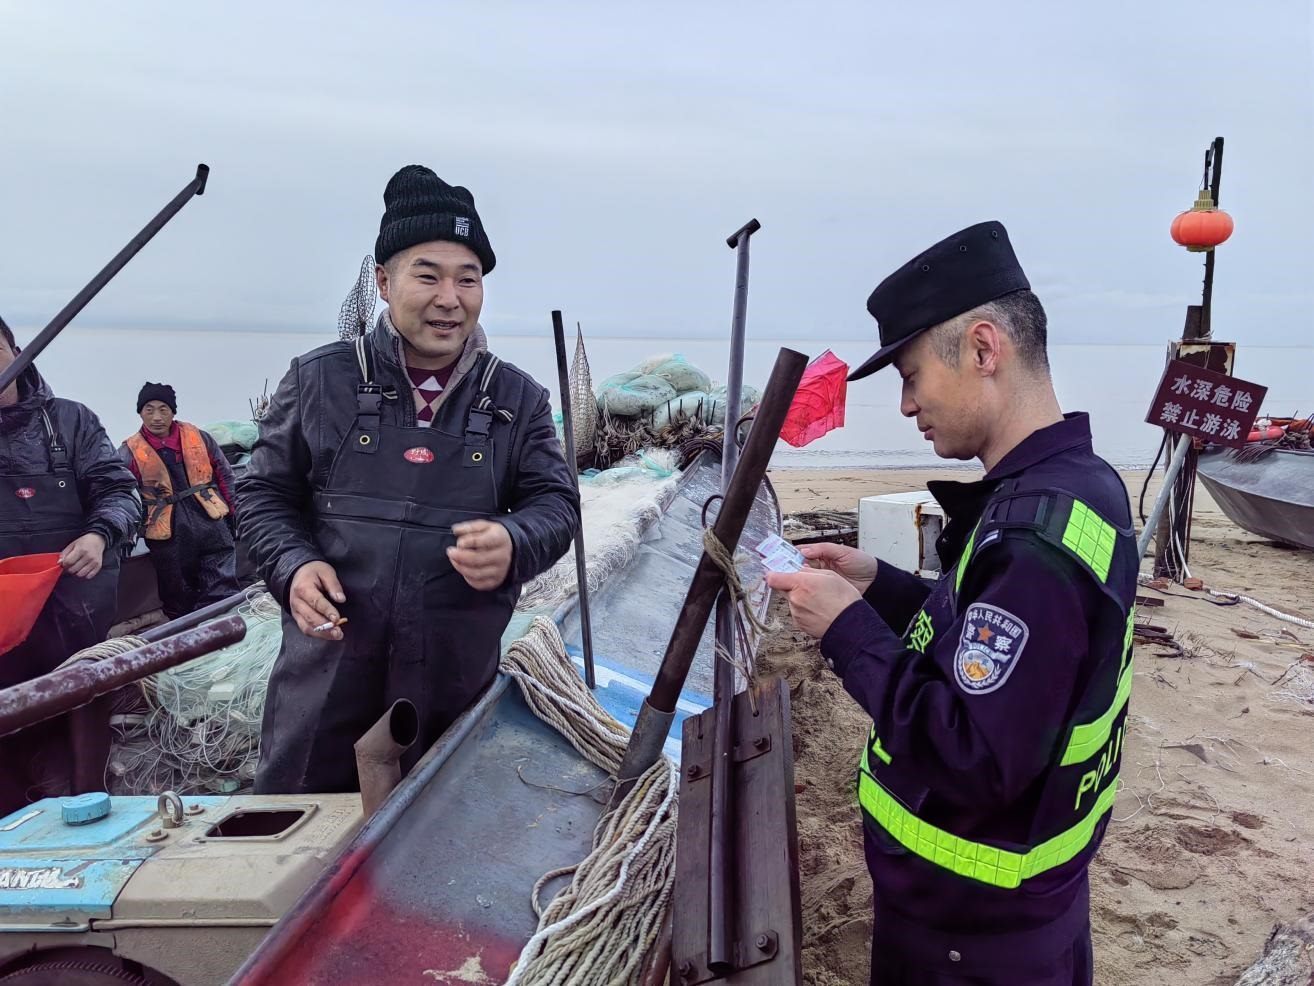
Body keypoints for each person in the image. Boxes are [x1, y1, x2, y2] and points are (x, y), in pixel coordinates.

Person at [767, 222, 1138, 986]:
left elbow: (974, 755)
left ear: (983, 349)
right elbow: (989, 650)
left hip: (972, 939)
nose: (906, 406)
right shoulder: (1076, 485)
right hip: (1015, 915)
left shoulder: (1033, 540)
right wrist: (881, 585)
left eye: (911, 377)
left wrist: (847, 631)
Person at [239, 165, 581, 794]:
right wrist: (293, 566)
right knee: (294, 829)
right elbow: (262, 495)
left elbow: (556, 505)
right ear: (383, 281)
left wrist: (514, 541)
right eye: (428, 275)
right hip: (325, 675)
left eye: (467, 278)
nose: (450, 298)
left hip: (451, 676)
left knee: (433, 830)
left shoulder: (517, 398)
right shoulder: (319, 379)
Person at [0, 315, 141, 813]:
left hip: (72, 614)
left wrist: (99, 535)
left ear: (17, 352)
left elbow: (120, 491)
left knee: (78, 736)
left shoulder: (71, 420)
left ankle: (85, 803)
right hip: (2, 627)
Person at [119, 382, 239, 620]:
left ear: (173, 412)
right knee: (178, 593)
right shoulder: (127, 452)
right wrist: (125, 536)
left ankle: (227, 626)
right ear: (140, 413)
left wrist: (236, 512)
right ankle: (188, 632)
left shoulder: (200, 438)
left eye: (163, 409)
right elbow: (121, 495)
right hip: (167, 534)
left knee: (222, 586)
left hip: (210, 522)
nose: (156, 417)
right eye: (149, 410)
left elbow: (225, 475)